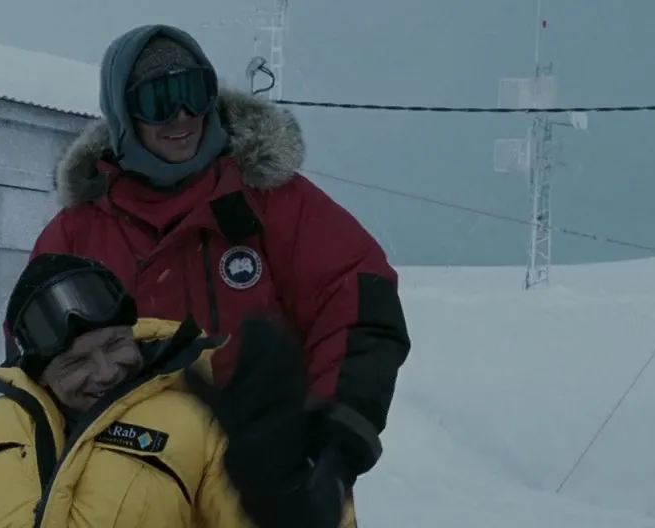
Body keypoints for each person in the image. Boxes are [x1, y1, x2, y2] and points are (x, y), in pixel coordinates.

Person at [26, 23, 412, 526]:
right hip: (130, 499)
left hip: (277, 490)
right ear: (122, 113)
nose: (182, 115)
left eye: (194, 91)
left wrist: (330, 447)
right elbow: (37, 362)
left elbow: (358, 303)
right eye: (158, 100)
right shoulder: (78, 232)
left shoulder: (271, 202)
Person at [0, 253, 262, 528]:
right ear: (40, 375)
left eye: (115, 344)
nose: (107, 371)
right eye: (76, 363)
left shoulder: (198, 425)